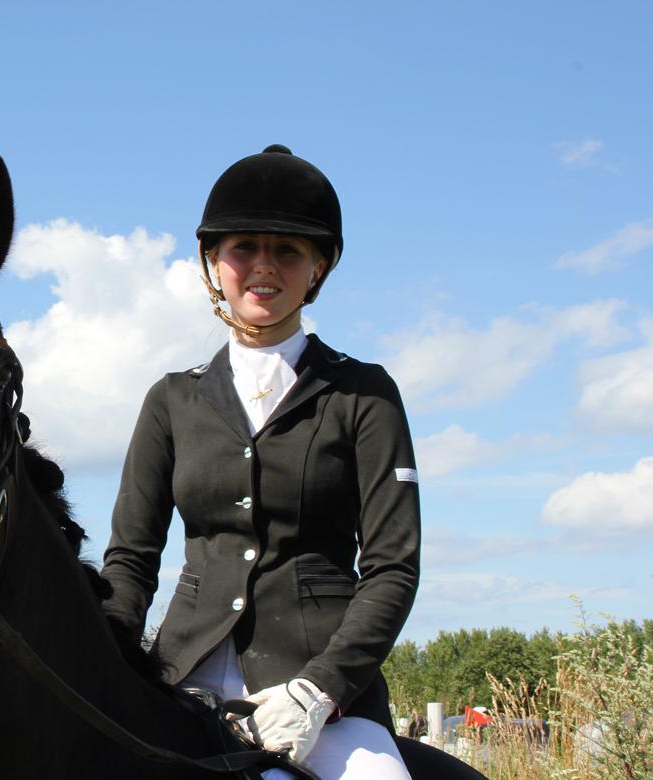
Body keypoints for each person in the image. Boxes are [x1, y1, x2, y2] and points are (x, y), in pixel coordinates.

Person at [101, 145, 420, 779]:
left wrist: (321, 688)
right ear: (213, 263)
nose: (263, 267)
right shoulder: (171, 399)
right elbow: (131, 561)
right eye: (244, 247)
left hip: (319, 695)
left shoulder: (365, 393)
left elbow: (392, 568)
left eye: (289, 251)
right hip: (179, 684)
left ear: (318, 268)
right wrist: (107, 661)